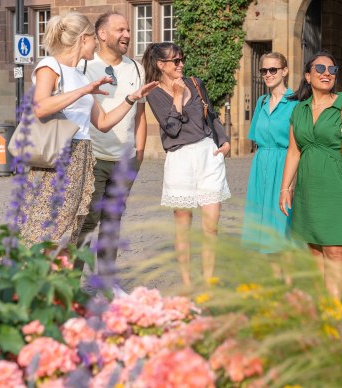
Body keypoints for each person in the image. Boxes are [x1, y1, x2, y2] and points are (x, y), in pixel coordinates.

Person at [19, 12, 158, 250]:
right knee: (45, 230)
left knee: (71, 228)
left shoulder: (79, 74)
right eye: (93, 37)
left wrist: (130, 98)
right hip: (59, 158)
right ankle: (24, 282)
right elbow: (40, 107)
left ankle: (65, 286)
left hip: (82, 159)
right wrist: (84, 91)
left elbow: (102, 122)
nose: (95, 43)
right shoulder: (50, 65)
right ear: (84, 39)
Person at [279, 51, 342, 300]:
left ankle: (333, 310)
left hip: (337, 189)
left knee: (334, 250)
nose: (327, 74)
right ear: (308, 76)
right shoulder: (299, 110)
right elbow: (293, 152)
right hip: (308, 190)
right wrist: (285, 188)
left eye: (332, 69)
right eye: (319, 69)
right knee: (314, 251)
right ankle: (321, 307)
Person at [143, 42, 231, 287]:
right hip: (180, 158)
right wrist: (178, 97)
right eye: (176, 61)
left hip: (207, 154)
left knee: (211, 224)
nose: (181, 64)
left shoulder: (195, 82)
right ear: (161, 65)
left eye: (182, 59)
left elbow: (210, 115)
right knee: (183, 226)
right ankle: (187, 284)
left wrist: (223, 141)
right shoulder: (154, 93)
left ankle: (208, 282)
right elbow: (171, 129)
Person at [75, 11, 147, 296]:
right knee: (85, 222)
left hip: (124, 161)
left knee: (112, 223)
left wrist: (138, 154)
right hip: (92, 158)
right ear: (101, 34)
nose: (126, 35)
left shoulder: (136, 68)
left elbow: (141, 114)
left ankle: (107, 285)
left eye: (128, 30)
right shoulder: (84, 66)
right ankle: (70, 285)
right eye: (120, 29)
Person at [241, 52, 297, 278]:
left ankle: (290, 285)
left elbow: (299, 145)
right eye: (264, 70)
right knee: (265, 230)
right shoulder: (261, 102)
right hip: (261, 167)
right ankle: (275, 282)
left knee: (283, 227)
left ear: (285, 71)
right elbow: (256, 137)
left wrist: (291, 182)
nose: (268, 75)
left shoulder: (296, 102)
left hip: (284, 167)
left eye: (273, 70)